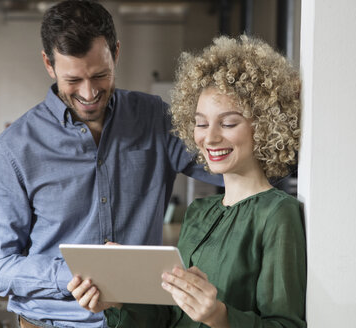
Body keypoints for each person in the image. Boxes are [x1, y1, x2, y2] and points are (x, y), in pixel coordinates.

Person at [0, 1, 222, 327]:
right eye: (73, 80)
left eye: (100, 75)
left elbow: (231, 168)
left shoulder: (154, 119)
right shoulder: (15, 148)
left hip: (138, 321)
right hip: (51, 322)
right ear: (49, 64)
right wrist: (75, 273)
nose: (89, 93)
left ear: (116, 53)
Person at [68, 35, 306, 328]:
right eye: (201, 123)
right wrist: (118, 299)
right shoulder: (199, 212)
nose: (210, 137)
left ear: (266, 125)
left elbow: (286, 325)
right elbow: (169, 317)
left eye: (229, 123)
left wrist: (218, 316)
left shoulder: (277, 214)